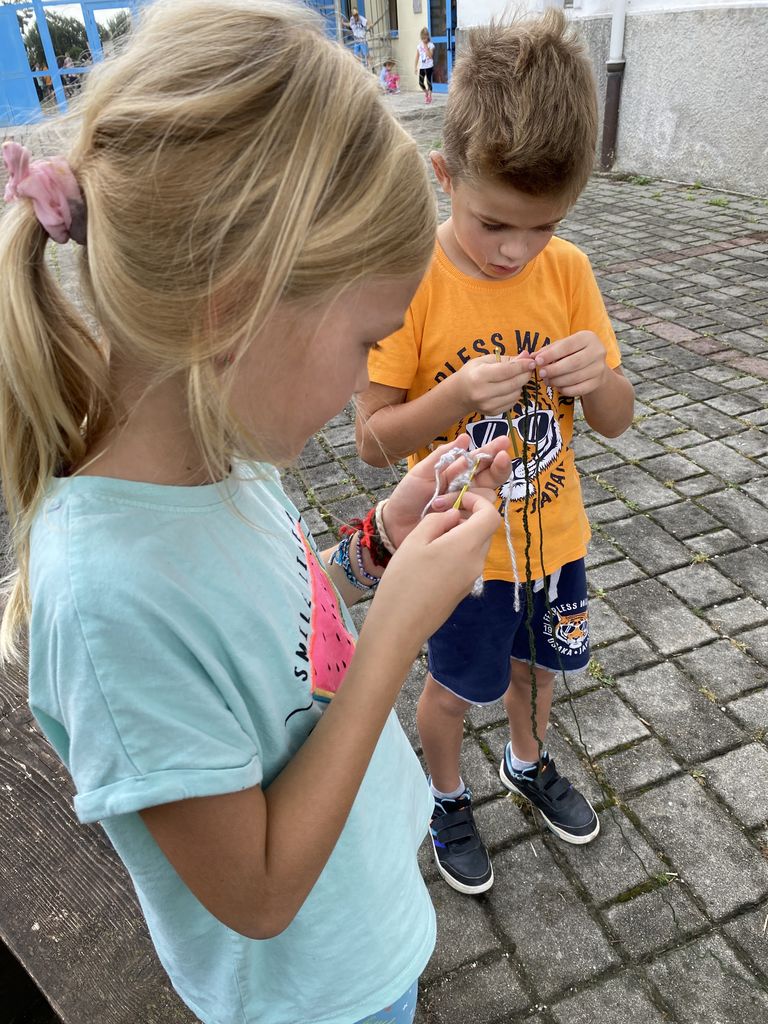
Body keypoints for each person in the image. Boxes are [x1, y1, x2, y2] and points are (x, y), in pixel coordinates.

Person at [0, 2, 511, 1022]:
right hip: (313, 997)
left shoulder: (219, 455)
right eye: (365, 340)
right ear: (235, 307)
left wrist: (381, 545)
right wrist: (399, 629)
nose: (367, 379)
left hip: (364, 933)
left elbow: (276, 635)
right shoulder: (107, 600)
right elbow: (261, 892)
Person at [357, 10, 635, 896]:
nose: (518, 251)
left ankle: (526, 761)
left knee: (539, 672)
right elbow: (371, 440)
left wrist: (598, 378)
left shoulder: (569, 272)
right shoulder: (414, 280)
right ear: (445, 177)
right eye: (493, 224)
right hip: (457, 557)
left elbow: (618, 420)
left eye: (543, 225)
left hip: (554, 541)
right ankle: (447, 796)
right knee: (451, 690)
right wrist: (451, 400)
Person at [415, 27, 435, 104]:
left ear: (427, 37)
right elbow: (417, 57)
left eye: (425, 38)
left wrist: (426, 48)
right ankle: (426, 92)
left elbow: (430, 56)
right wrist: (415, 67)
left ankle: (429, 96)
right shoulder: (419, 46)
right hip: (422, 67)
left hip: (429, 66)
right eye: (422, 38)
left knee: (429, 82)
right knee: (420, 83)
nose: (424, 40)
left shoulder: (431, 45)